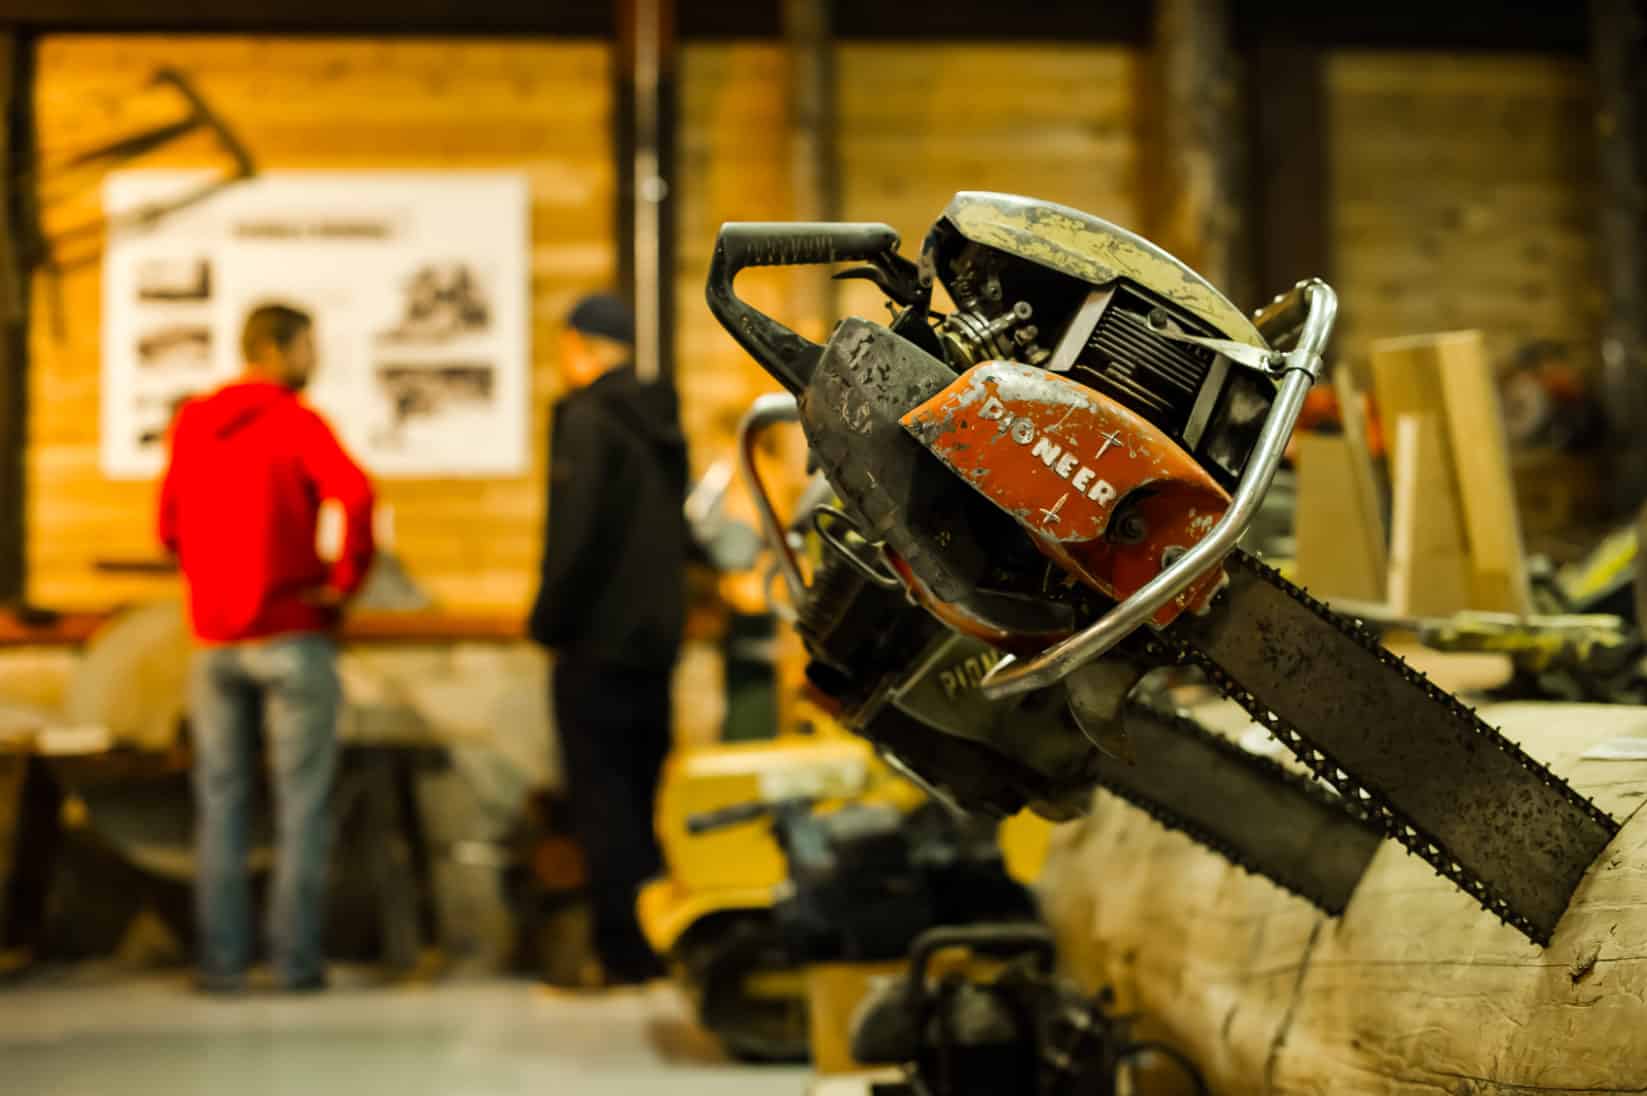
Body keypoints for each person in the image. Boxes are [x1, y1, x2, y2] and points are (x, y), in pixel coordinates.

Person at [157, 303, 375, 993]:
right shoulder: (295, 421)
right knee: (300, 804)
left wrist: (209, 579)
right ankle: (293, 964)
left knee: (220, 805)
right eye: (309, 346)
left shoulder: (194, 422)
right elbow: (358, 496)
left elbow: (166, 527)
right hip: (290, 633)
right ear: (278, 349)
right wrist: (343, 584)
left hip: (214, 640)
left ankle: (220, 966)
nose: (316, 360)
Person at [528, 293, 689, 986]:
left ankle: (621, 953)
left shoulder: (588, 422)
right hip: (653, 644)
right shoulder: (661, 424)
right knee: (640, 797)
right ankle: (650, 944)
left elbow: (577, 539)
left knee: (600, 803)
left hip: (594, 643)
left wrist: (546, 620)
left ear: (578, 346)